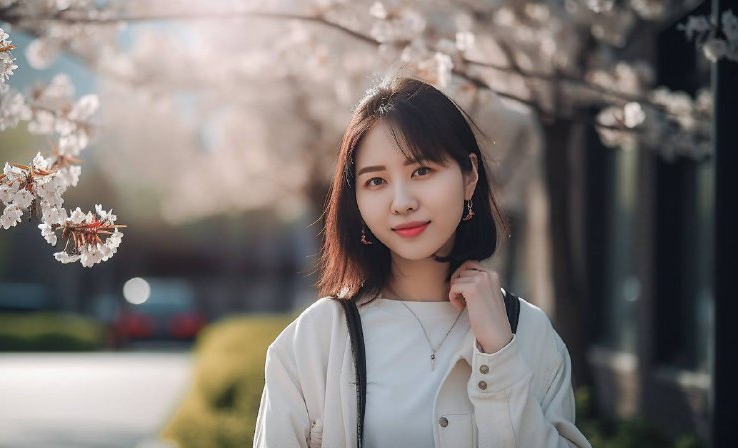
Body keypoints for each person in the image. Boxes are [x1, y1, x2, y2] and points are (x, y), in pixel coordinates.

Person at [253, 76, 591, 448]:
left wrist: (499, 354)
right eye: (376, 181)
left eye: (421, 171)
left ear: (469, 176)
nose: (401, 202)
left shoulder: (529, 333)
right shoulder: (316, 340)